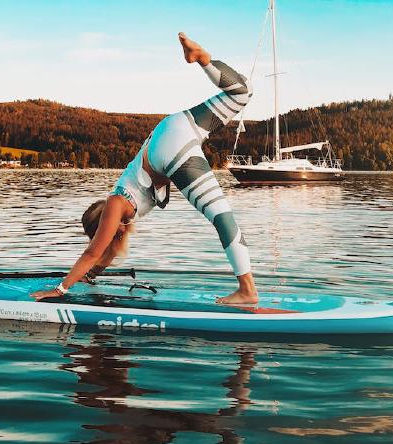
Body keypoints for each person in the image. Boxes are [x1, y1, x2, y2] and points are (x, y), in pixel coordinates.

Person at [32, 33, 258, 304]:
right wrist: (89, 276)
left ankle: (247, 290)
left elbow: (93, 253)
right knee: (242, 91)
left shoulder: (117, 203)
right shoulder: (122, 218)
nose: (105, 242)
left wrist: (59, 290)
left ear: (101, 226)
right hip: (174, 127)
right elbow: (102, 256)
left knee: (221, 216)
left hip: (170, 147)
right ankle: (202, 59)